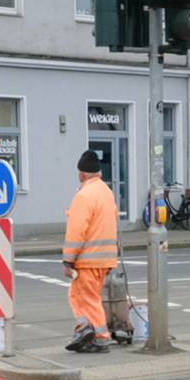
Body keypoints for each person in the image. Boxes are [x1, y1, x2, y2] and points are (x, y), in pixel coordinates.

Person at [62, 150, 120, 353]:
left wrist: (68, 260)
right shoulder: (107, 193)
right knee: (88, 297)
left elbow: (76, 231)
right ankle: (85, 331)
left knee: (83, 298)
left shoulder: (84, 195)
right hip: (104, 259)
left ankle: (97, 335)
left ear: (82, 174)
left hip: (87, 259)